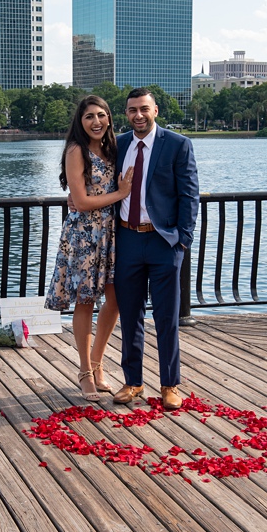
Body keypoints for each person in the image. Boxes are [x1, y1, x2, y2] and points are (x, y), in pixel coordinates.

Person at [112, 88, 200, 411]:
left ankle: (169, 385)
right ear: (127, 114)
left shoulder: (177, 145)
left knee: (167, 317)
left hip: (164, 242)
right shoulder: (118, 145)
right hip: (127, 241)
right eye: (132, 110)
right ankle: (133, 382)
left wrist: (182, 241)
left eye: (144, 109)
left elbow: (190, 197)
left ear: (155, 111)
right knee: (131, 316)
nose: (138, 115)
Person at [45, 96, 134, 400]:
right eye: (89, 117)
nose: (96, 121)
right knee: (85, 301)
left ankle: (97, 364)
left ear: (109, 118)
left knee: (116, 299)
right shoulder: (75, 150)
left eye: (101, 115)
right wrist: (120, 194)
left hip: (112, 234)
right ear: (80, 122)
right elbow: (80, 202)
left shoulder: (114, 148)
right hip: (85, 234)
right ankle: (85, 372)